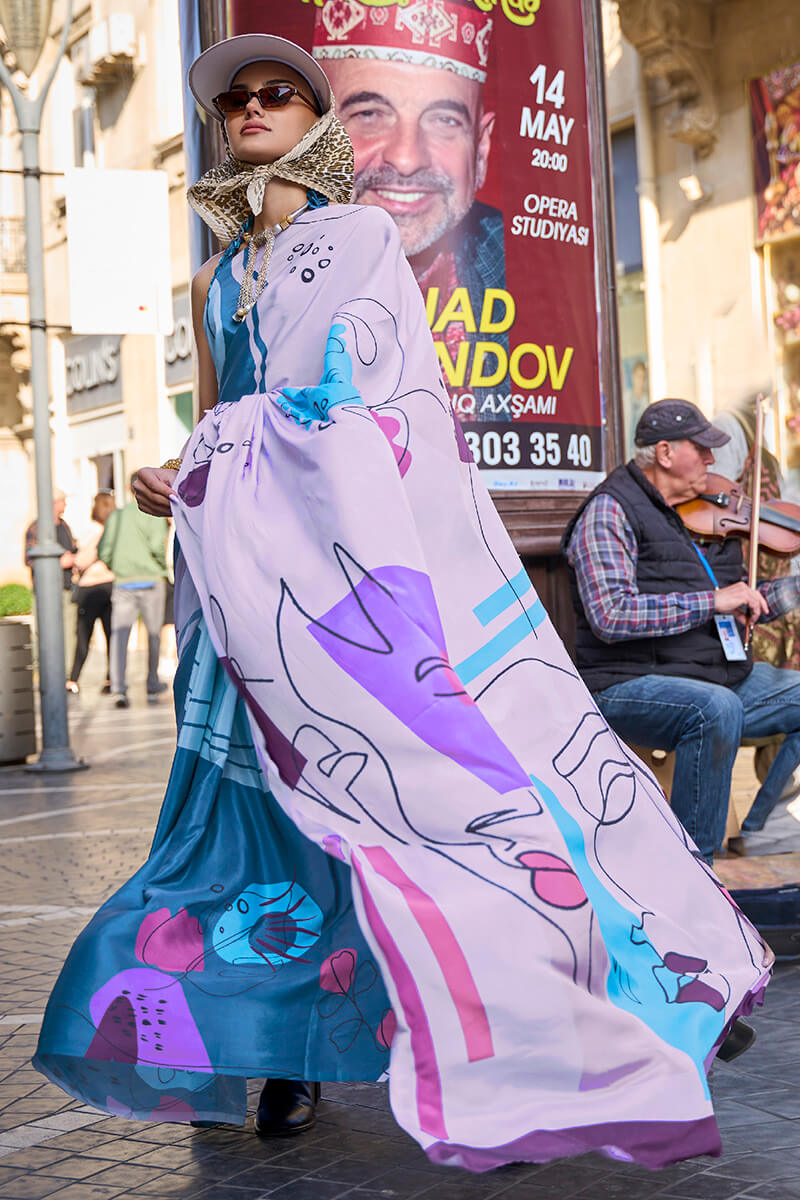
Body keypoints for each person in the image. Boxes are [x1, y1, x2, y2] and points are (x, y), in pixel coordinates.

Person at [35, 37, 771, 1174]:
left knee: (441, 808)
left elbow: (372, 407)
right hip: (252, 597)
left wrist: (228, 449)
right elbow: (233, 415)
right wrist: (178, 466)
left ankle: (610, 1005)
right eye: (233, 99)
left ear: (315, 119)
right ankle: (281, 1055)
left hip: (353, 598)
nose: (249, 109)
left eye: (275, 92)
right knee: (259, 832)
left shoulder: (361, 238)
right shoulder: (213, 279)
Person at [563, 398, 800, 864]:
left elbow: (743, 605)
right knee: (714, 709)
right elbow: (611, 615)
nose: (713, 461)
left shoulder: (699, 515)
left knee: (746, 699)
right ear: (666, 453)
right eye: (702, 449)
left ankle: (763, 825)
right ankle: (695, 867)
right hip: (625, 682)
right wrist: (712, 601)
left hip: (714, 673)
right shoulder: (609, 513)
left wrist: (784, 592)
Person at [312, 0, 506, 417]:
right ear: (319, 138)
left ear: (482, 148)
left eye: (444, 120)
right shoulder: (270, 271)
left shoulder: (528, 265)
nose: (405, 158)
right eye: (369, 114)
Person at [98, 474, 169, 708]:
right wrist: (159, 567)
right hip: (151, 580)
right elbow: (157, 545)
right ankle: (151, 683)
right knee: (153, 635)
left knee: (119, 637)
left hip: (124, 581)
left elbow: (105, 550)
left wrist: (118, 566)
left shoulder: (116, 516)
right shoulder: (154, 514)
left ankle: (119, 689)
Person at [66, 490, 115, 695]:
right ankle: (111, 679)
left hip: (90, 587)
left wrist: (76, 561)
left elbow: (82, 560)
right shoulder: (113, 529)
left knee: (84, 635)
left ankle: (73, 679)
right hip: (110, 584)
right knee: (111, 634)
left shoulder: (94, 530)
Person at [24, 487, 77, 669]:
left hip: (65, 586)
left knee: (68, 631)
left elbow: (71, 548)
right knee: (44, 631)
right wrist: (58, 562)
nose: (65, 504)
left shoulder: (64, 526)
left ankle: (66, 673)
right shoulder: (36, 528)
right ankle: (44, 670)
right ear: (55, 503)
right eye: (63, 501)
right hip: (45, 590)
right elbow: (29, 559)